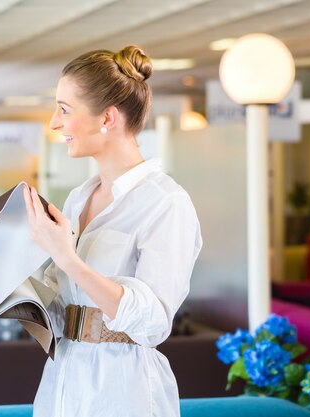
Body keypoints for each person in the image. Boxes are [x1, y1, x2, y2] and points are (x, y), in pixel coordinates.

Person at [23, 46, 202, 417]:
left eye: (64, 110)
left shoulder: (167, 203)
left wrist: (67, 258)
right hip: (61, 384)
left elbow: (152, 325)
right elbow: (61, 310)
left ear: (108, 117)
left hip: (124, 392)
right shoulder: (78, 198)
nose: (55, 123)